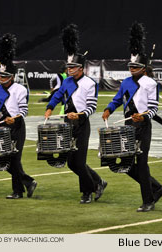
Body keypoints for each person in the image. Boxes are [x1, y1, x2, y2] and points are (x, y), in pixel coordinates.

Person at [102, 21, 162, 212]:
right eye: (130, 65)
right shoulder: (126, 82)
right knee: (125, 164)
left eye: (135, 65)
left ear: (143, 66)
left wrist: (144, 117)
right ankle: (157, 188)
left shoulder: (150, 84)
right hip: (128, 126)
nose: (131, 68)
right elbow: (117, 100)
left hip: (143, 127)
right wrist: (108, 109)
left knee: (142, 163)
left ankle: (148, 200)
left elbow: (154, 108)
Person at [45, 23, 107, 204]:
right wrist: (50, 106)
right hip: (67, 124)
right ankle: (98, 181)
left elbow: (92, 107)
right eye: (68, 67)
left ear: (81, 68)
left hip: (81, 124)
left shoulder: (90, 84)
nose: (68, 69)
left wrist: (79, 115)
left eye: (72, 67)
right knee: (71, 162)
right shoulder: (67, 81)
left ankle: (88, 191)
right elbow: (57, 95)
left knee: (79, 161)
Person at [0, 33, 37, 199]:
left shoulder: (20, 90)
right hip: (3, 128)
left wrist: (16, 117)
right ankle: (28, 182)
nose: (2, 79)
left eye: (5, 76)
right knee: (4, 159)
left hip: (17, 127)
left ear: (12, 76)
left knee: (14, 159)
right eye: (0, 76)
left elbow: (24, 110)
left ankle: (18, 191)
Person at [145, 65, 162, 134]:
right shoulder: (150, 80)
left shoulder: (150, 82)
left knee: (146, 118)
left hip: (150, 102)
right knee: (151, 116)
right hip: (149, 102)